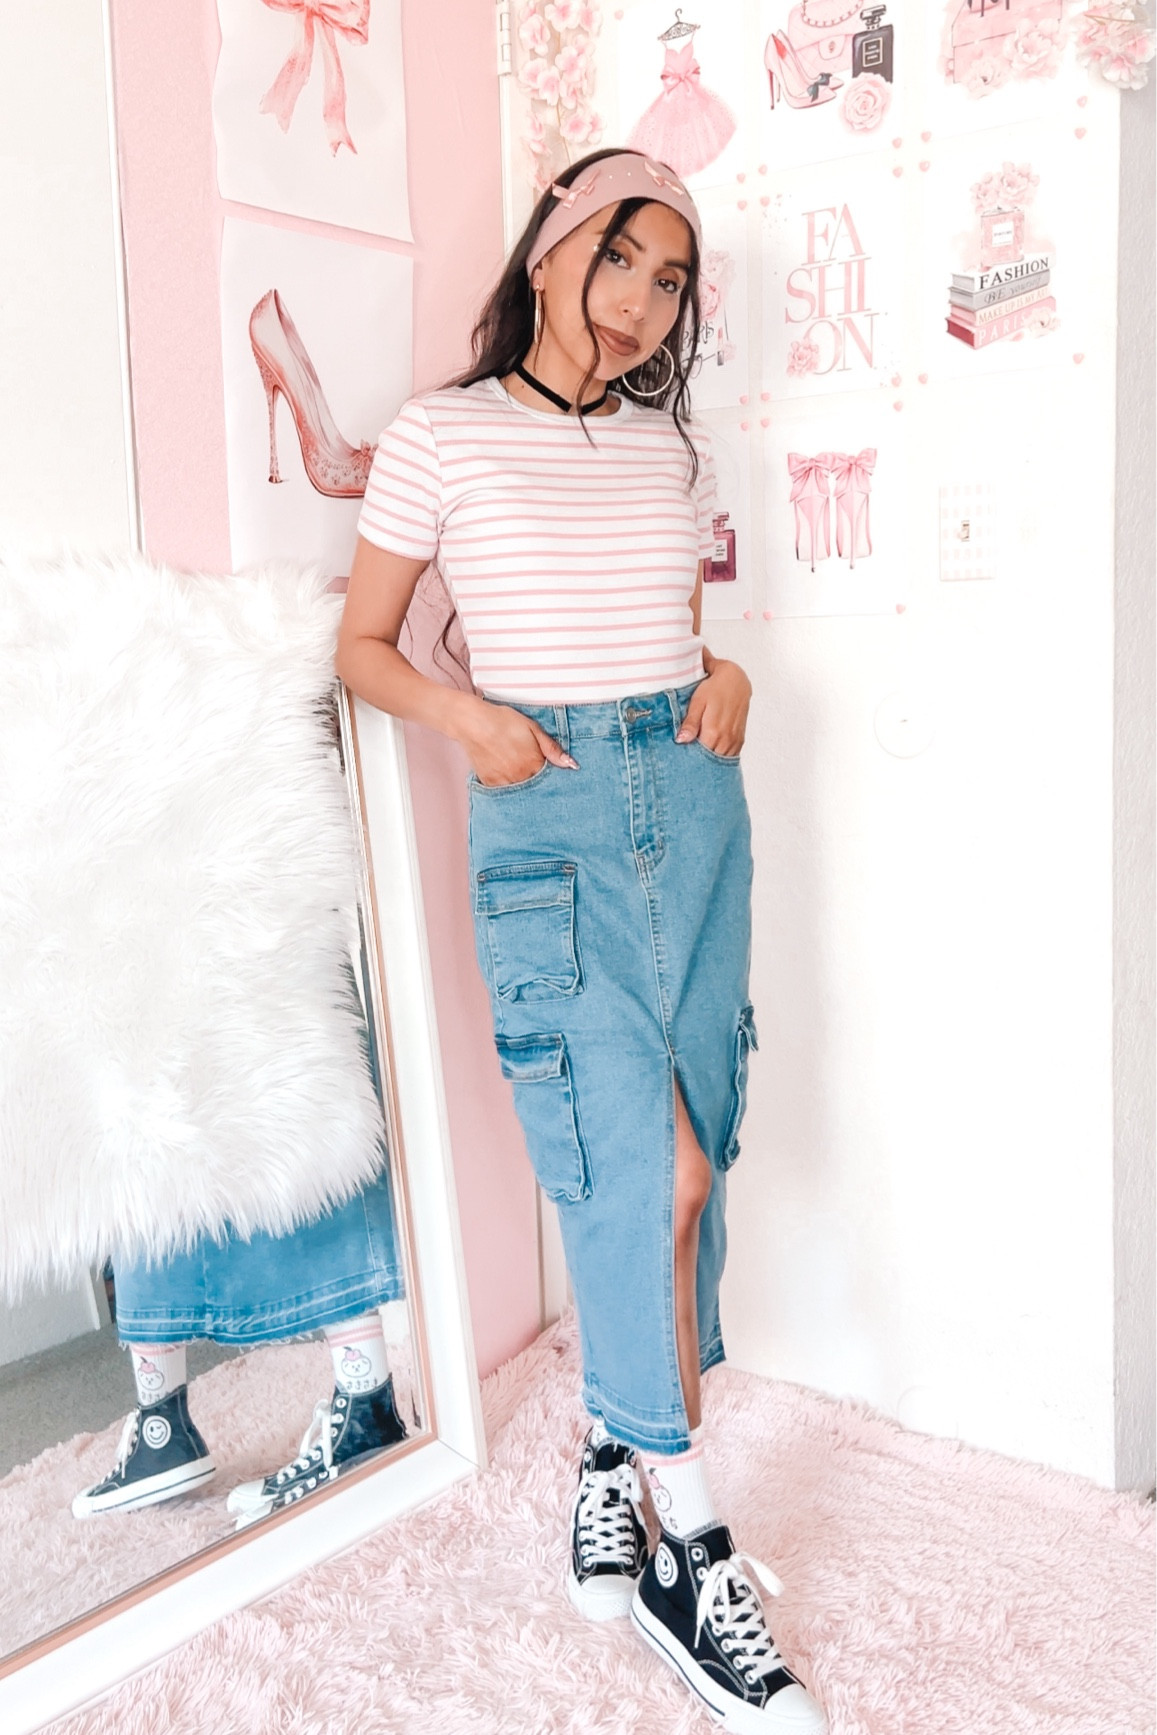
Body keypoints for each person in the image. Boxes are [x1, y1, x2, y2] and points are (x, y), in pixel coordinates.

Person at [337, 148, 827, 1735]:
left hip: (687, 810)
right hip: (541, 811)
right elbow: (362, 650)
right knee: (647, 1174)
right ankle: (695, 1548)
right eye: (619, 261)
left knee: (698, 1158)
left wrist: (729, 677)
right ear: (549, 254)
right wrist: (466, 714)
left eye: (669, 280)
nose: (638, 305)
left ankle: (608, 1458)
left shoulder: (661, 454)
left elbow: (668, 639)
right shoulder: (439, 434)